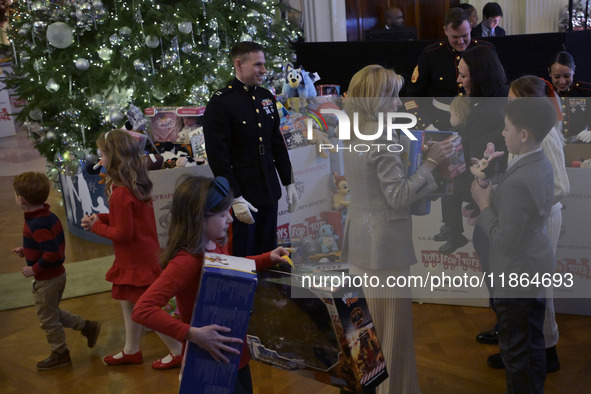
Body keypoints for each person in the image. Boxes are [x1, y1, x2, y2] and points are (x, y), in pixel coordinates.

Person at [342, 65, 454, 394]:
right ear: (377, 99)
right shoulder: (382, 137)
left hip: (361, 244)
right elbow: (399, 196)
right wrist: (432, 163)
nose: (398, 101)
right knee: (392, 336)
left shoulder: (353, 130)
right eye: (392, 94)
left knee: (366, 336)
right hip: (385, 250)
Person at [132, 175, 290, 393]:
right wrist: (192, 334)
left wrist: (266, 258)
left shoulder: (214, 243)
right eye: (223, 214)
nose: (230, 219)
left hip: (234, 351)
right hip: (210, 359)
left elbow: (230, 266)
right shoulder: (186, 261)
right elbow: (142, 309)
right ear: (199, 218)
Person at [482, 76, 569, 373]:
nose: (508, 106)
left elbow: (561, 185)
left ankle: (546, 351)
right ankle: (525, 350)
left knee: (539, 291)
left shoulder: (545, 136)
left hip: (542, 218)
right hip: (528, 216)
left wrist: (528, 205)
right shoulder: (523, 132)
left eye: (513, 101)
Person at [471, 97, 556, 393]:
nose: (503, 134)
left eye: (507, 129)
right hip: (535, 264)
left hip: (516, 274)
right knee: (532, 341)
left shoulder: (521, 178)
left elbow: (504, 242)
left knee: (515, 351)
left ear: (524, 135)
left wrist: (484, 206)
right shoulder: (539, 162)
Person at [81, 130, 183, 369]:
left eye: (102, 155)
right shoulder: (135, 185)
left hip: (136, 261)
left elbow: (123, 234)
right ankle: (131, 349)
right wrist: (102, 219)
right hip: (141, 256)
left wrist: (96, 226)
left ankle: (178, 350)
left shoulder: (121, 192)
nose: (100, 160)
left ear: (114, 157)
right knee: (128, 304)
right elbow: (127, 220)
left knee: (144, 309)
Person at [203, 41, 297, 258]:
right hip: (243, 191)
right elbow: (218, 157)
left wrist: (289, 181)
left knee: (268, 249)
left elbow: (276, 143)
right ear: (239, 64)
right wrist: (234, 197)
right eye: (257, 65)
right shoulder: (221, 102)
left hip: (268, 186)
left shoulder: (266, 97)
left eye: (263, 64)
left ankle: (268, 290)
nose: (264, 70)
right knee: (244, 252)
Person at [12, 172, 101, 371]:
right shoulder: (46, 216)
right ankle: (86, 326)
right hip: (57, 275)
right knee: (51, 312)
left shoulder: (36, 223)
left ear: (21, 199)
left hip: (47, 279)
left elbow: (51, 253)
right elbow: (47, 245)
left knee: (47, 319)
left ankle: (60, 353)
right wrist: (25, 250)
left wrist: (33, 269)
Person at [434, 45, 508, 254]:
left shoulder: (484, 111)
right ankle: (452, 230)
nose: (458, 80)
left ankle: (453, 232)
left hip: (487, 187)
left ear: (480, 77)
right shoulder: (500, 96)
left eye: (463, 75)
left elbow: (476, 160)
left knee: (448, 186)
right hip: (494, 186)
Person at [406, 7, 493, 130]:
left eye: (464, 35)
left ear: (470, 27)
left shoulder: (486, 51)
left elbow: (496, 88)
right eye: (455, 37)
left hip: (480, 121)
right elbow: (412, 95)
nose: (461, 41)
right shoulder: (431, 54)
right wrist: (426, 125)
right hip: (441, 123)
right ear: (445, 31)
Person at [547, 51, 591, 141]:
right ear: (549, 72)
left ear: (574, 70)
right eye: (556, 76)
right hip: (554, 143)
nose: (562, 81)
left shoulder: (586, 91)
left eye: (567, 76)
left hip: (580, 144)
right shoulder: (545, 93)